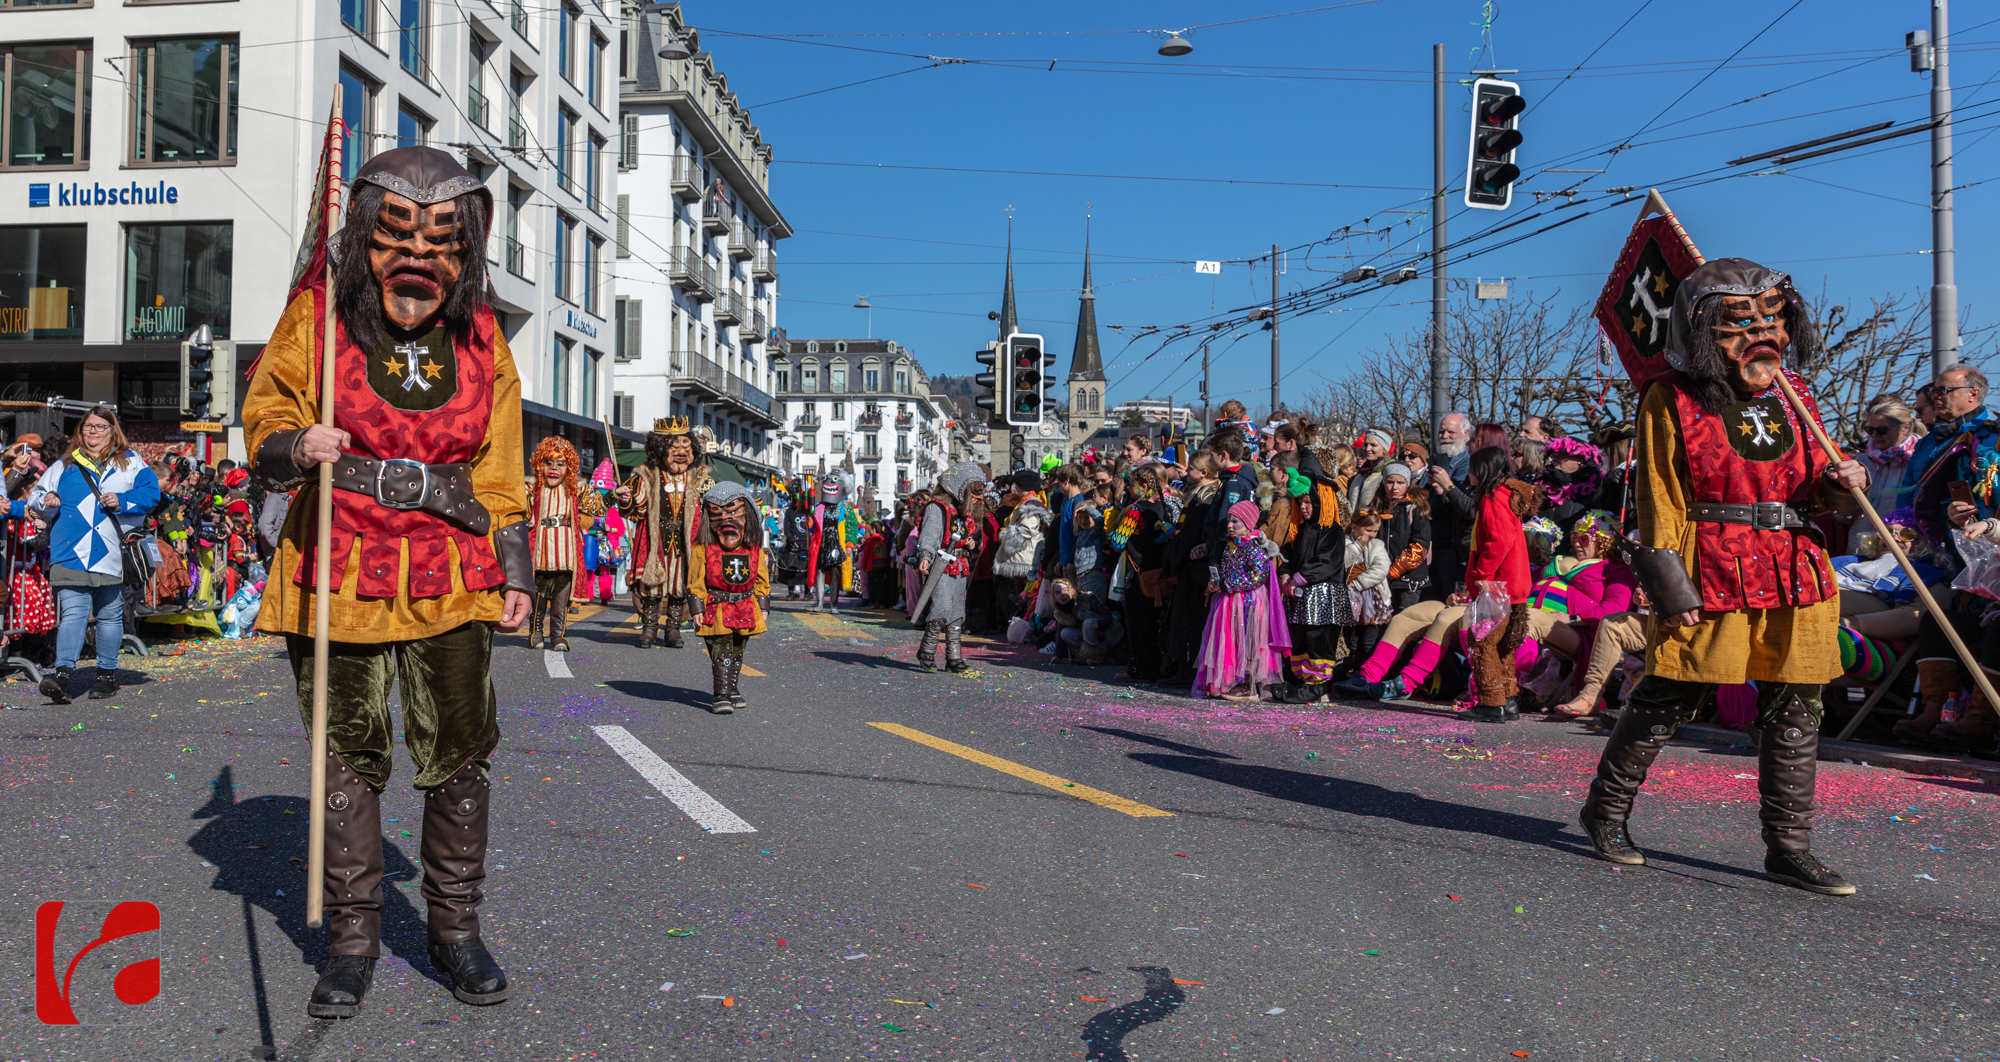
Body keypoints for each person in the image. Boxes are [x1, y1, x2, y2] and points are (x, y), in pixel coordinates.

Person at [244, 146, 529, 1015]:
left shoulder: (483, 337)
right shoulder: (318, 319)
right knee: (346, 757)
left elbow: (500, 468)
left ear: (466, 247)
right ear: (365, 234)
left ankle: (455, 931)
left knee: (460, 755)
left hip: (451, 571)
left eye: (442, 241)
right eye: (398, 235)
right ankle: (352, 941)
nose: (419, 257)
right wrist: (298, 442)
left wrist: (515, 570)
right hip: (337, 567)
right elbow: (266, 412)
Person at [1580, 257, 1867, 897]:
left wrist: (1846, 482)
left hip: (1794, 564)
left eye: (1773, 320)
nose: (1763, 335)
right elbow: (1659, 496)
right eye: (1741, 324)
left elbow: (1819, 489)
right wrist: (1669, 585)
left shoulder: (1795, 394)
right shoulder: (1671, 396)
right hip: (1712, 562)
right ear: (1703, 330)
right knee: (1671, 691)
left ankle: (1789, 848)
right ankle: (1605, 810)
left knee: (1798, 704)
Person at [19, 406, 159, 703]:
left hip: (111, 550)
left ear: (112, 430)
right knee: (73, 613)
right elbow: (36, 498)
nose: (93, 431)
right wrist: (48, 499)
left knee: (109, 614)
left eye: (100, 426)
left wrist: (122, 500)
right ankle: (63, 675)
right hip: (71, 549)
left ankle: (106, 675)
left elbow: (151, 494)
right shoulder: (64, 465)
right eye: (88, 426)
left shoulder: (131, 462)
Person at [1460, 447, 1541, 722]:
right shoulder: (1508, 496)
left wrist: (1482, 575)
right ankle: (1508, 699)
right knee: (1504, 646)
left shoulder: (1493, 498)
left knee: (1482, 642)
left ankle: (1491, 703)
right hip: (1513, 582)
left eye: (1472, 468)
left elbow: (1499, 541)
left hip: (1496, 584)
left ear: (1483, 470)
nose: (1468, 473)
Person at [615, 418, 711, 647]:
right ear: (659, 449)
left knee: (680, 586)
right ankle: (649, 628)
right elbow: (636, 510)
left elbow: (712, 507)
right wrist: (626, 499)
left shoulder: (701, 478)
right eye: (674, 448)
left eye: (686, 447)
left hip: (686, 542)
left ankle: (673, 630)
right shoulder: (646, 476)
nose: (681, 453)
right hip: (654, 540)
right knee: (652, 586)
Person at [1193, 500, 1290, 700]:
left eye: (1235, 522)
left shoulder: (1254, 547)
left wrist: (1227, 584)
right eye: (1229, 521)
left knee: (1247, 642)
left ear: (1248, 523)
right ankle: (1227, 681)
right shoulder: (1231, 546)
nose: (1230, 525)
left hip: (1248, 602)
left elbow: (1258, 576)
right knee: (1229, 641)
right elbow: (1227, 571)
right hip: (1228, 602)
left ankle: (1246, 684)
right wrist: (1215, 582)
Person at [687, 482, 769, 714]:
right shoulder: (703, 548)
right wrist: (697, 606)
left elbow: (761, 578)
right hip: (717, 607)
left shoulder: (753, 548)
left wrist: (763, 604)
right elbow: (695, 579)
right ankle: (720, 694)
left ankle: (732, 689)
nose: (725, 519)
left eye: (733, 512)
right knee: (721, 650)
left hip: (745, 605)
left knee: (737, 650)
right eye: (717, 514)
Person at [1902, 364, 1995, 549]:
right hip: (1929, 545)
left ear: (1973, 394)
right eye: (1934, 391)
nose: (1936, 396)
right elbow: (1907, 490)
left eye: (1943, 390)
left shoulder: (1991, 438)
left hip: (1978, 542)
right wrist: (1905, 525)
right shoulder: (1926, 442)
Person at [526, 437, 597, 652]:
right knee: (537, 596)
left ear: (570, 467)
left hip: (566, 553)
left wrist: (616, 495)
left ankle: (557, 636)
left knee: (560, 599)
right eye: (548, 463)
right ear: (540, 465)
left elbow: (596, 509)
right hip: (539, 552)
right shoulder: (531, 488)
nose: (554, 468)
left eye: (560, 464)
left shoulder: (578, 489)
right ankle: (536, 632)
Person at [913, 463, 986, 673]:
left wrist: (969, 542)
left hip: (960, 566)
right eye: (975, 494)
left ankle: (954, 657)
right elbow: (930, 535)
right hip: (941, 565)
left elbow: (963, 535)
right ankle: (926, 651)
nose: (978, 500)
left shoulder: (961, 513)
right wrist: (925, 556)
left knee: (957, 612)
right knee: (941, 608)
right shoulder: (937, 508)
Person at [1281, 476, 1347, 702]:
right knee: (1300, 638)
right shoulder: (1300, 529)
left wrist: (1299, 578)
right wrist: (1285, 573)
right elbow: (1288, 554)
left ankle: (1318, 684)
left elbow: (1327, 561)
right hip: (1301, 596)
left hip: (1324, 596)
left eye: (1308, 502)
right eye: (1300, 502)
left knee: (1319, 639)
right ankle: (1301, 679)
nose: (1303, 507)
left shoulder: (1332, 530)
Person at [1110, 462, 1175, 683]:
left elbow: (1118, 542)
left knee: (1137, 624)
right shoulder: (1162, 507)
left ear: (1144, 486)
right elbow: (1167, 535)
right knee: (1153, 623)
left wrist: (1113, 532)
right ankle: (1155, 667)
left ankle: (1139, 670)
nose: (1129, 488)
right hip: (1158, 571)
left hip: (1137, 574)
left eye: (1132, 484)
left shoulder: (1135, 511)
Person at [1848, 395, 1921, 554]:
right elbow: (1844, 515)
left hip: (1902, 552)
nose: (1874, 435)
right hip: (1859, 550)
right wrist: (1841, 494)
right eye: (1869, 430)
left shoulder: (1920, 459)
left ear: (1905, 427)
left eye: (1882, 430)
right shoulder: (1862, 461)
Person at [1369, 463, 1431, 612]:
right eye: (1390, 482)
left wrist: (1394, 570)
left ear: (1408, 484)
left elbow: (1420, 546)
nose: (1394, 487)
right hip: (1381, 578)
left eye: (1400, 482)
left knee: (1404, 619)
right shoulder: (1377, 507)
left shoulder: (1415, 507)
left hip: (1409, 579)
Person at [1339, 511, 1392, 667]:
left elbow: (1381, 569)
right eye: (1368, 530)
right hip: (1349, 598)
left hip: (1371, 600)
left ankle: (1366, 673)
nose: (1372, 535)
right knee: (1352, 640)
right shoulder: (1344, 542)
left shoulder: (1377, 545)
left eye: (1375, 531)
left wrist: (1358, 584)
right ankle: (1354, 668)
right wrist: (1357, 546)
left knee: (1369, 641)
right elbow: (1342, 562)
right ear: (1355, 527)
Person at [775, 475, 814, 601]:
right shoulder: (789, 512)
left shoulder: (808, 511)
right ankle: (791, 592)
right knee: (791, 570)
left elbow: (813, 526)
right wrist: (791, 538)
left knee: (806, 570)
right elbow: (787, 528)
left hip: (806, 544)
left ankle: (807, 592)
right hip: (793, 545)